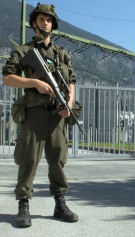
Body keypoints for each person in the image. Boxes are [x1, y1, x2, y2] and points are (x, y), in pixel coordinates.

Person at [2, 3, 78, 227]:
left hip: (57, 114)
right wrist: (34, 82)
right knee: (28, 160)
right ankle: (23, 205)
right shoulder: (24, 52)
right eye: (42, 19)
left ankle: (59, 203)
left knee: (57, 160)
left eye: (50, 20)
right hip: (34, 113)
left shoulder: (62, 54)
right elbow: (7, 78)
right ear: (34, 22)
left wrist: (69, 103)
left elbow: (71, 81)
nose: (46, 23)